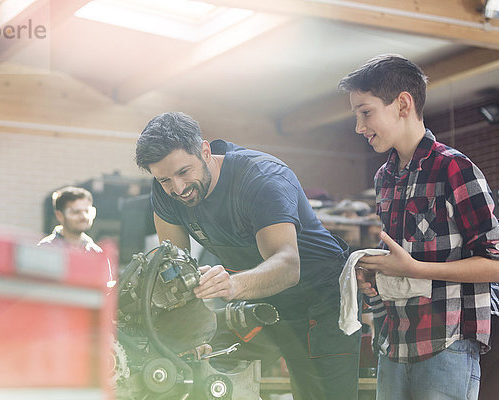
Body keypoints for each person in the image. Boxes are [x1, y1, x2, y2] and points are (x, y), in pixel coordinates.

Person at [135, 111, 361, 400]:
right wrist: (187, 333)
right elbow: (173, 268)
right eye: (165, 179)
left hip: (319, 300)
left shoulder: (261, 178)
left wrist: (233, 285)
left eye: (183, 172)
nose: (178, 189)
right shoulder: (165, 191)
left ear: (205, 150)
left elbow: (288, 265)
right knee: (196, 372)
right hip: (256, 300)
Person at [338, 54, 499, 400]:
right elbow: (402, 258)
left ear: (403, 104)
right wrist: (376, 277)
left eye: (365, 112)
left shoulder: (455, 168)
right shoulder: (385, 177)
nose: (359, 127)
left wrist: (414, 268)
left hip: (447, 345)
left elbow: (495, 263)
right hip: (393, 344)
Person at [38, 186, 114, 285]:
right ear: (59, 215)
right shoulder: (45, 249)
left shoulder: (97, 252)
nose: (84, 217)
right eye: (76, 212)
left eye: (87, 211)